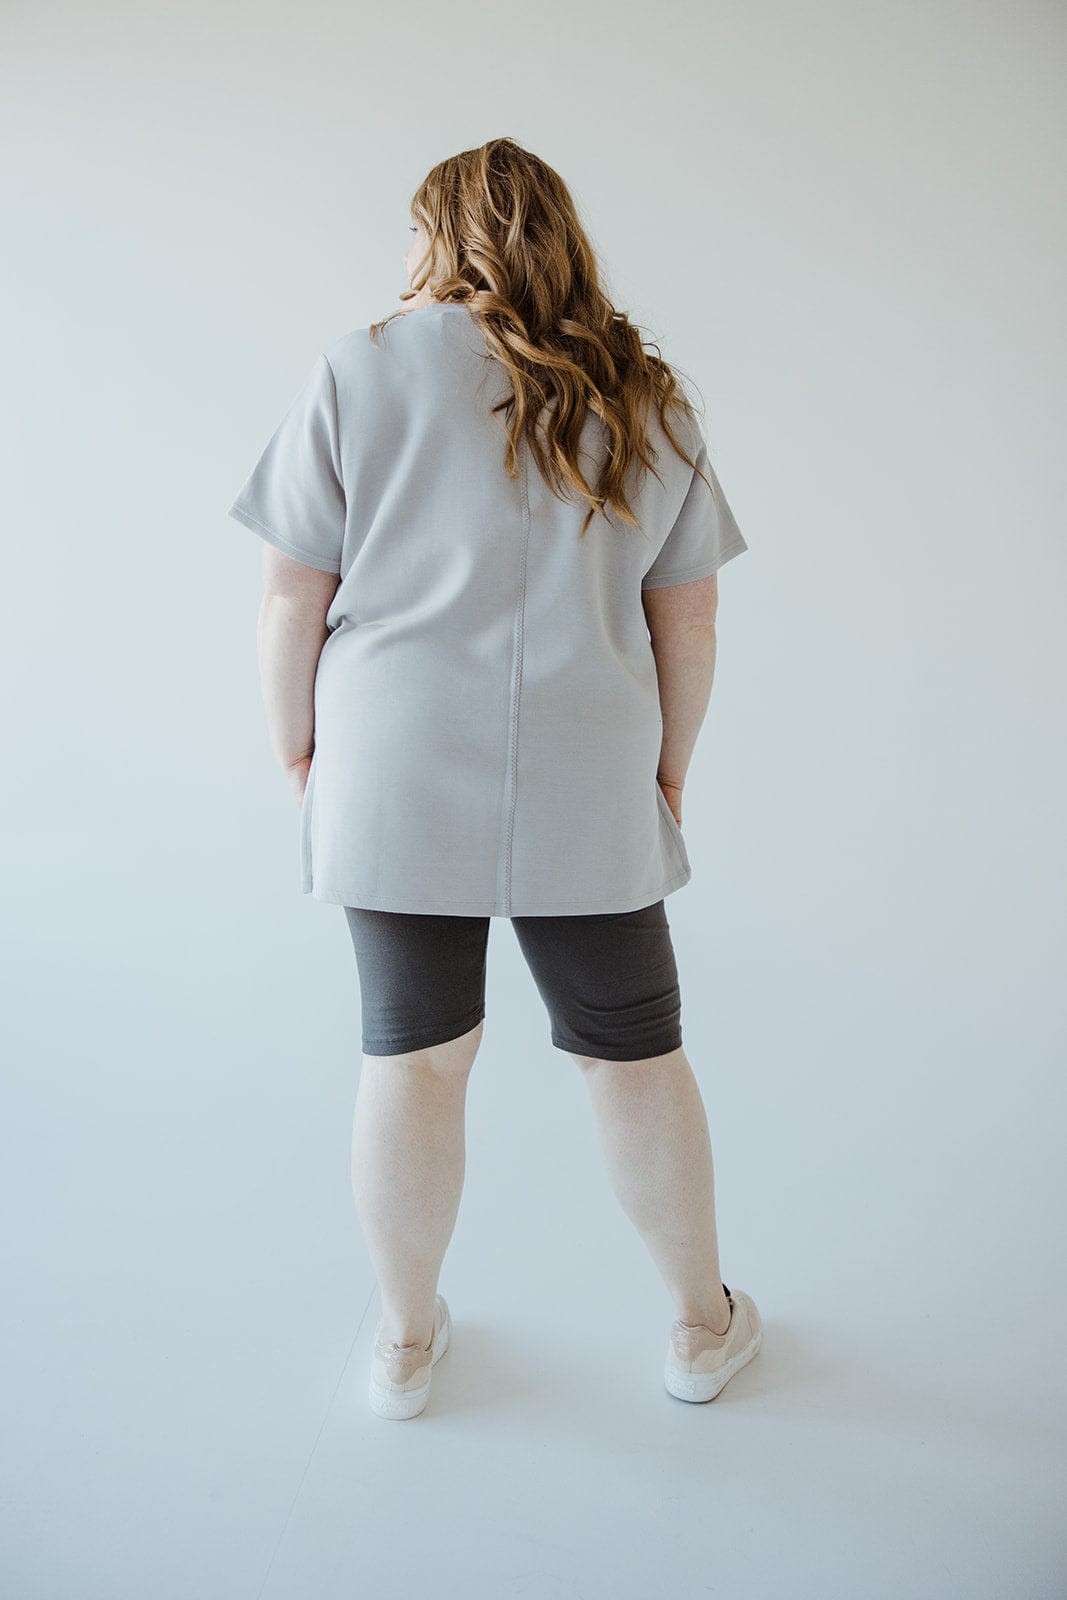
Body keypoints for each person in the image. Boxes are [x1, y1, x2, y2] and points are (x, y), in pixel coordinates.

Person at [227, 137, 762, 1419]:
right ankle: (701, 1327)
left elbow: (290, 596)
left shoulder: (358, 366)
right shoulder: (644, 392)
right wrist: (666, 772)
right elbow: (688, 622)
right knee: (632, 1055)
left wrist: (296, 747)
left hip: (392, 759)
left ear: (438, 235)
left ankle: (404, 1344)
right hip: (588, 763)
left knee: (413, 1057)